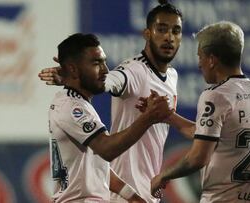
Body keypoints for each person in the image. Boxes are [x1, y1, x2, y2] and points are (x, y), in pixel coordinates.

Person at [38, 1, 192, 202]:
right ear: (147, 33)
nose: (169, 37)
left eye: (176, 31)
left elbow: (97, 164)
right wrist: (72, 76)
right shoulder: (133, 71)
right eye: (161, 29)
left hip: (142, 190)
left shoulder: (171, 76)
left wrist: (134, 197)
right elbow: (111, 81)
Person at [150, 21, 250, 202]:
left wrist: (164, 176)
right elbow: (213, 137)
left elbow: (198, 157)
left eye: (200, 56)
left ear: (212, 60)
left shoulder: (215, 96)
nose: (199, 64)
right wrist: (169, 116)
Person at [48, 33, 173, 203]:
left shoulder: (79, 104)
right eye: (96, 63)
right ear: (73, 69)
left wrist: (133, 196)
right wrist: (148, 117)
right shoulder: (71, 107)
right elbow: (107, 149)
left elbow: (98, 166)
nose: (105, 69)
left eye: (104, 62)